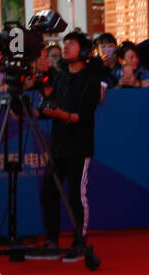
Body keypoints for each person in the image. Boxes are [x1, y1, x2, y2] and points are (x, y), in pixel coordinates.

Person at [30, 31, 99, 261]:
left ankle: (79, 242)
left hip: (79, 147)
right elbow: (50, 107)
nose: (66, 47)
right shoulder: (59, 77)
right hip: (58, 147)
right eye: (65, 43)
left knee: (76, 197)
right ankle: (51, 241)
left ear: (84, 51)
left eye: (71, 43)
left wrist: (62, 114)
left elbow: (84, 115)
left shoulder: (90, 80)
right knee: (48, 193)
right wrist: (34, 113)